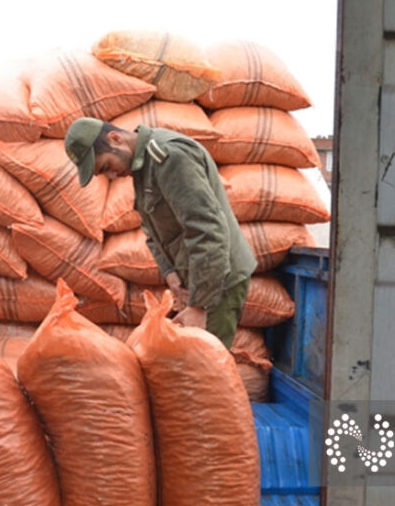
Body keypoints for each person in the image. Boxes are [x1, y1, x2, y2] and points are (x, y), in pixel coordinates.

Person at [64, 117, 256, 348]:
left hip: (218, 282)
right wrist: (171, 274)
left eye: (106, 166)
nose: (112, 176)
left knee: (206, 371)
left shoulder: (169, 157)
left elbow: (207, 230)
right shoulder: (143, 167)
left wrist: (199, 305)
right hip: (197, 282)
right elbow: (152, 228)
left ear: (115, 139)